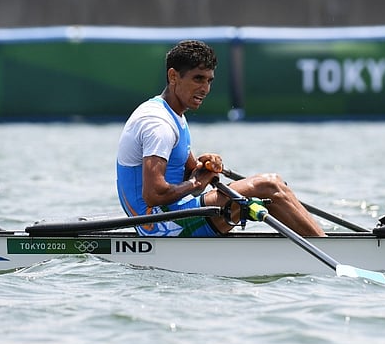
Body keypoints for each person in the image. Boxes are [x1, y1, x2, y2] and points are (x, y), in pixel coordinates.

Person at [116, 39, 325, 237]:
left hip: (171, 214)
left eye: (209, 81)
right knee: (268, 186)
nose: (205, 89)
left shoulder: (172, 114)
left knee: (276, 183)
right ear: (173, 77)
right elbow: (154, 194)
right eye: (198, 79)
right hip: (160, 225)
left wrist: (206, 165)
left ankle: (320, 241)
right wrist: (197, 184)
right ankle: (329, 249)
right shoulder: (158, 124)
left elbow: (190, 172)